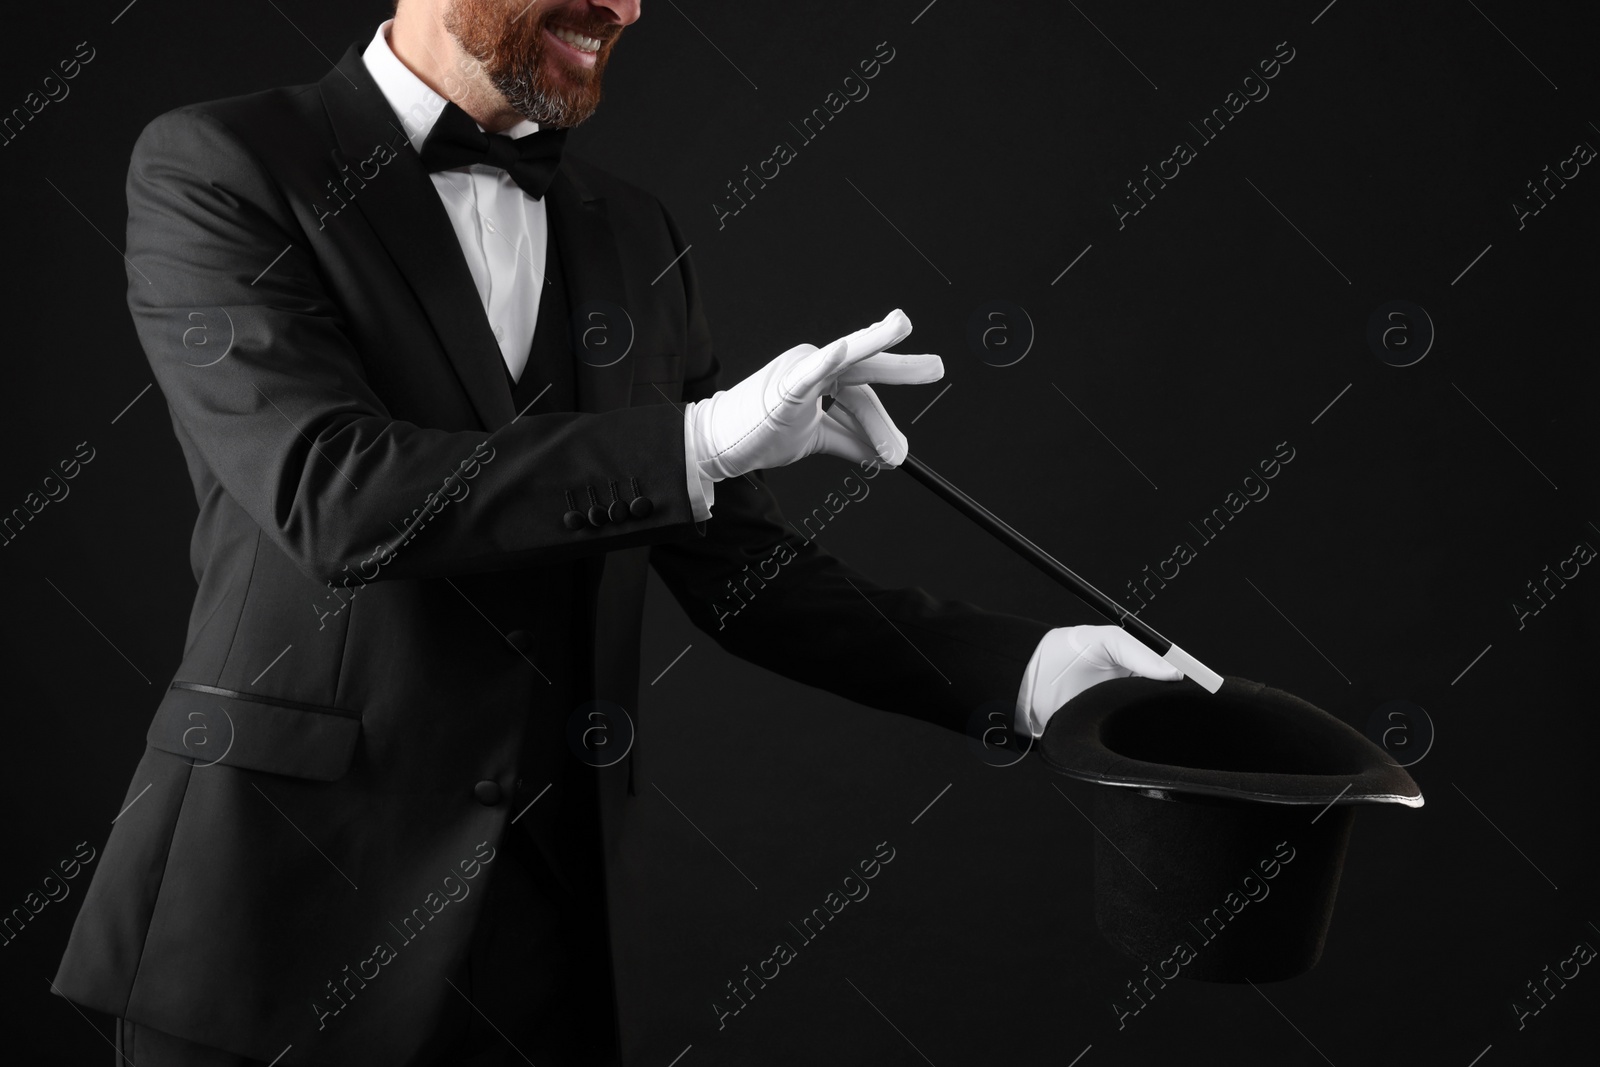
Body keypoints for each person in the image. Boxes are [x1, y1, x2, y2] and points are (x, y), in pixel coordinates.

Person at [51, 1, 1181, 1063]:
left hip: (547, 933)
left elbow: (740, 570)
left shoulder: (634, 231)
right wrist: (696, 441)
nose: (627, 6)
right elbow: (333, 493)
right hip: (272, 920)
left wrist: (1032, 672)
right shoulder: (221, 162)